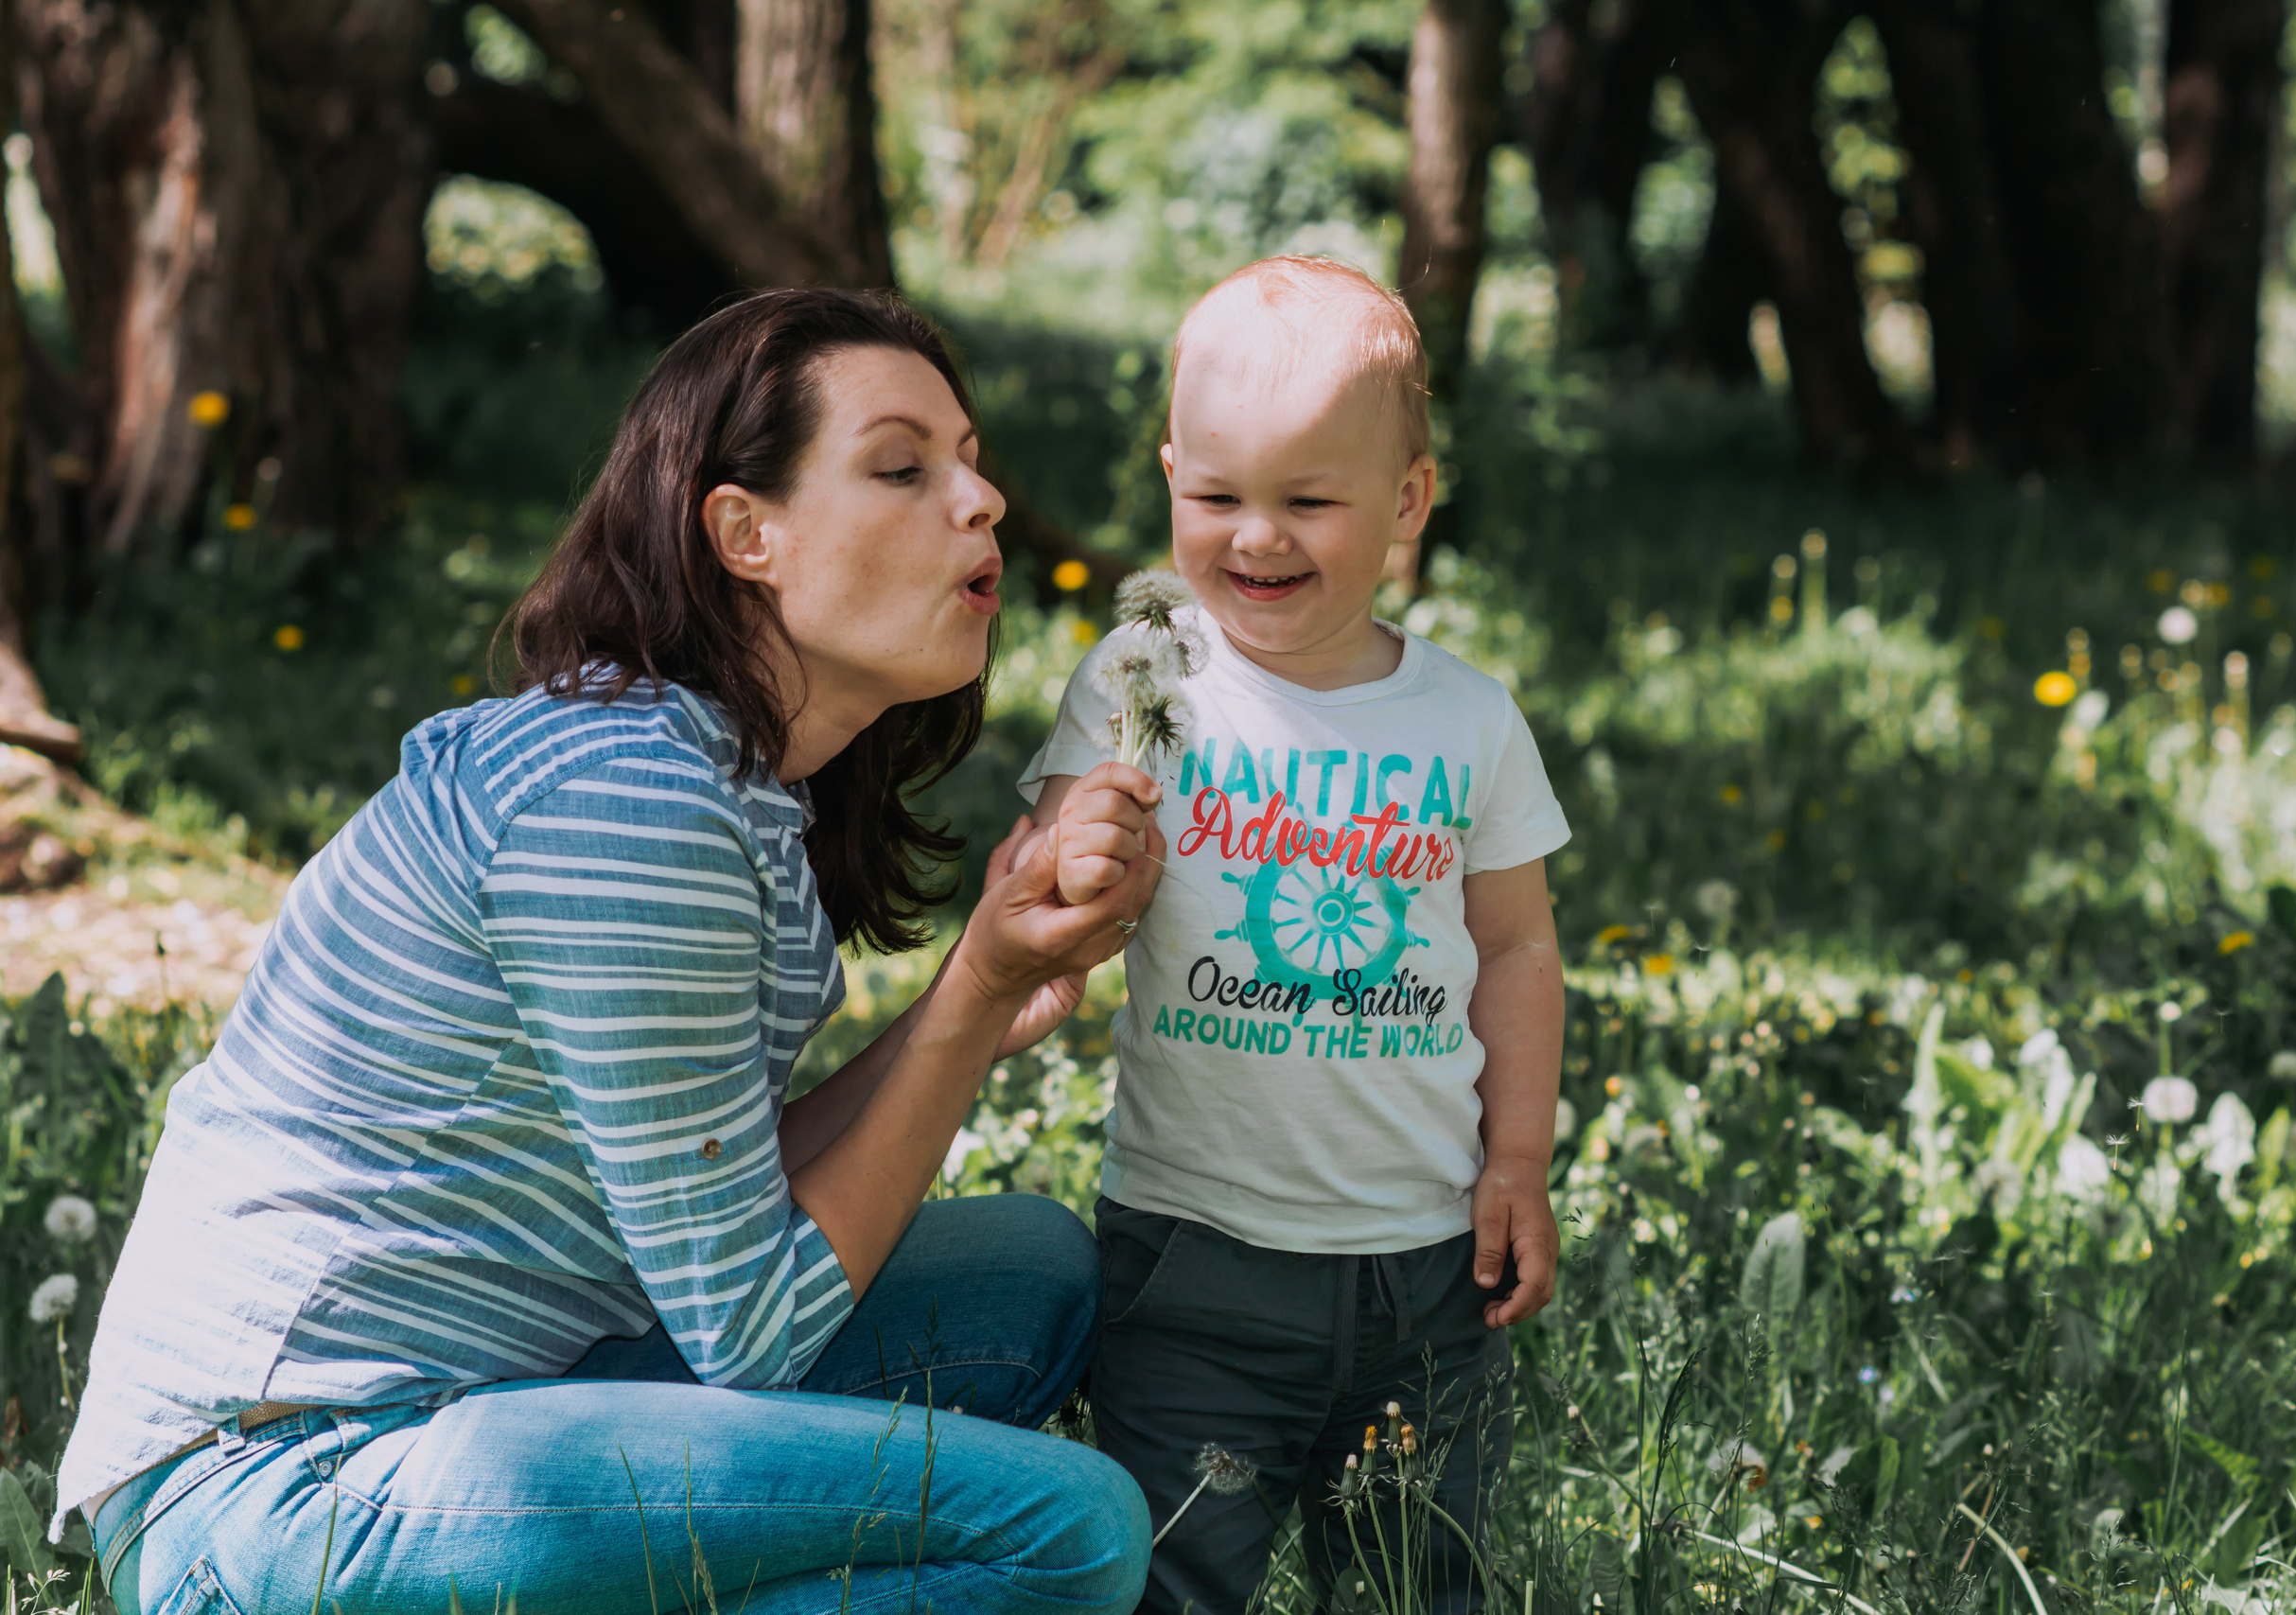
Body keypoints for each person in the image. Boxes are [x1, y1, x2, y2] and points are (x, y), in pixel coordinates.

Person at [57, 289, 1162, 1615]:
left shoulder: (718, 774)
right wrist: (973, 994)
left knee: (1033, 1278)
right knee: (1071, 1534)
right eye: (902, 468)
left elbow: (726, 1216)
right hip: (281, 1488)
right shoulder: (626, 804)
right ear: (745, 534)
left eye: (970, 462)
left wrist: (976, 995)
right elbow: (754, 1332)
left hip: (501, 1391)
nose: (981, 501)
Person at [1015, 256, 1572, 1614]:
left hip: (1427, 1261)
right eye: (1215, 497)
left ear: (1408, 501)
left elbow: (1515, 950)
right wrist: (1066, 869)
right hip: (1193, 1252)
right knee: (1171, 1574)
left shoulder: (1468, 719)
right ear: (1169, 477)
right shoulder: (1144, 681)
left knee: (1414, 1579)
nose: (1256, 537)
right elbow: (1039, 884)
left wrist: (1516, 1159)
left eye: (1308, 502)